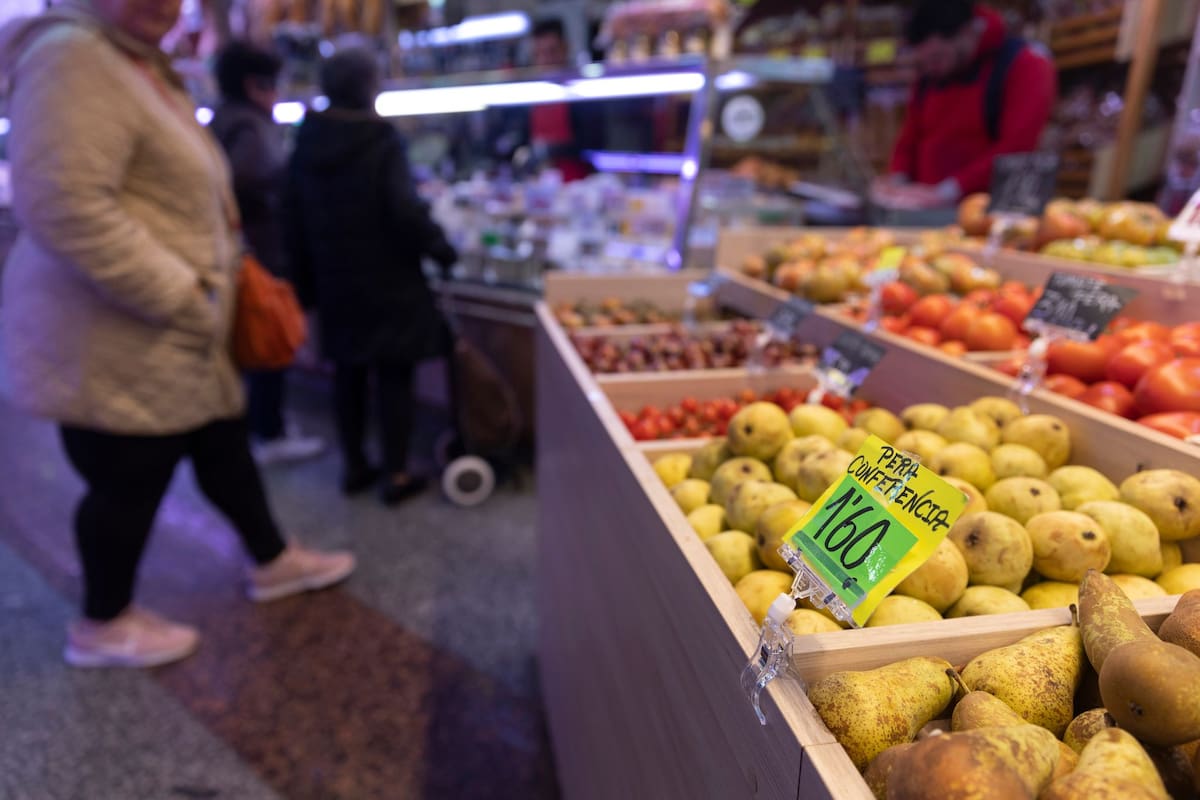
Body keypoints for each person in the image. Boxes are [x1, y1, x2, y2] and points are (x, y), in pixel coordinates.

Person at [0, 0, 355, 669]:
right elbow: (62, 204)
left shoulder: (132, 62)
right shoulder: (73, 56)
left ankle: (272, 559)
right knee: (126, 479)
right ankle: (102, 625)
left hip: (168, 330)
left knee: (220, 439)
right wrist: (182, 293)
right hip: (117, 332)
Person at [285, 49, 457, 506]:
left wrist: (304, 285)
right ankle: (396, 473)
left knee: (348, 373)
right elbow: (404, 211)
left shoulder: (307, 138)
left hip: (334, 278)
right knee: (394, 374)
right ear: (368, 86)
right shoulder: (379, 139)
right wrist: (441, 248)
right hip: (387, 277)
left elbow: (293, 214)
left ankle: (355, 466)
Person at [210, 40, 325, 466]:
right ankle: (269, 431)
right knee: (269, 339)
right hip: (260, 253)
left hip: (238, 251)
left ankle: (260, 423)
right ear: (254, 84)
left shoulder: (222, 119)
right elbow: (256, 179)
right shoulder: (251, 126)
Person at [875, 0, 1057, 209]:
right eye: (923, 63)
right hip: (927, 213)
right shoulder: (930, 74)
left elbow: (1016, 148)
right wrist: (898, 182)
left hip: (992, 215)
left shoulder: (1026, 64)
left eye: (938, 57)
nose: (933, 68)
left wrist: (948, 191)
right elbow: (910, 136)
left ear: (968, 33)